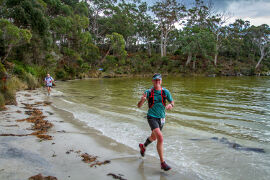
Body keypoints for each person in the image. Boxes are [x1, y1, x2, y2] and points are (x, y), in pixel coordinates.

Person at [137, 73, 174, 171]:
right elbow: (139, 106)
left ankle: (143, 146)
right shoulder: (148, 92)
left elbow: (172, 102)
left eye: (159, 80)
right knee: (160, 138)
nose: (157, 82)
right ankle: (162, 163)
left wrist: (171, 105)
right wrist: (142, 100)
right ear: (153, 81)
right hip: (151, 117)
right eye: (155, 80)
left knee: (153, 137)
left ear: (161, 81)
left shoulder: (166, 92)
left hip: (162, 118)